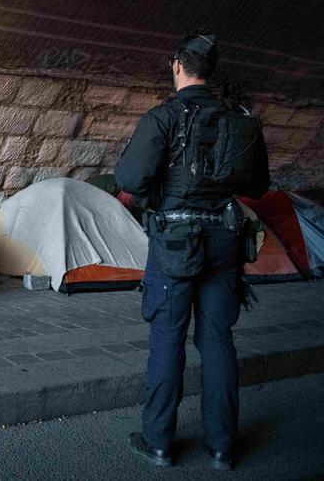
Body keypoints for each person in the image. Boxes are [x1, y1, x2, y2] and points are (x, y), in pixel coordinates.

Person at [116, 32, 269, 470]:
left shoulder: (162, 118)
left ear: (176, 66)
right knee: (218, 340)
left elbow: (131, 179)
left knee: (167, 339)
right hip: (224, 243)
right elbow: (257, 185)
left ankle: (159, 441)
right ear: (210, 72)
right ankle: (222, 446)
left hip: (173, 246)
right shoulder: (237, 121)